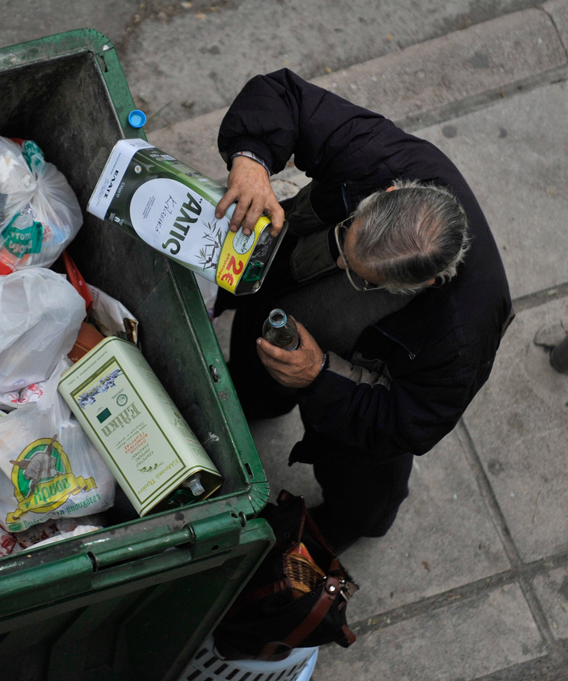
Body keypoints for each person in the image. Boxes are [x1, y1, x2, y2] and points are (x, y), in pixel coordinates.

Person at [214, 69, 512, 553]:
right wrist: (251, 160)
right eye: (346, 241)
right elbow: (284, 95)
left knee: (362, 493)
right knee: (252, 381)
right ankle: (255, 401)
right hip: (278, 297)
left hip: (355, 378)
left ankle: (339, 528)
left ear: (425, 283)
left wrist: (319, 376)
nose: (337, 264)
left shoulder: (463, 331)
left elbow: (408, 421)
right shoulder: (384, 157)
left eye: (360, 278)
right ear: (388, 193)